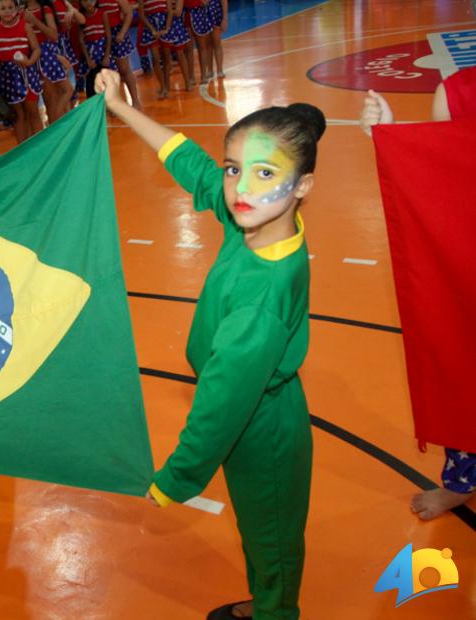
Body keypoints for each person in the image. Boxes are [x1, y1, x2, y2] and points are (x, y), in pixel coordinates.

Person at [97, 67, 323, 620]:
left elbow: (223, 401)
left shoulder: (262, 297)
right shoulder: (256, 220)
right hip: (252, 416)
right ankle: (270, 602)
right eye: (234, 170)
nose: (240, 189)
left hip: (261, 426)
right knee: (262, 531)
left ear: (304, 187)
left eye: (264, 172)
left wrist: (176, 478)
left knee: (271, 539)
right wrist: (122, 108)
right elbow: (191, 164)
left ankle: (275, 613)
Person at [359, 72, 476, 521]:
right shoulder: (457, 92)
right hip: (467, 262)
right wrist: (394, 138)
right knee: (462, 359)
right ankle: (463, 479)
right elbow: (440, 174)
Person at [0, 0, 43, 143]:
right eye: (3, 8)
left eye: (10, 7)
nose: (7, 11)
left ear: (17, 9)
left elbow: (37, 49)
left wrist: (30, 62)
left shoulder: (25, 26)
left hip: (27, 74)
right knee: (18, 115)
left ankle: (43, 147)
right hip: (7, 77)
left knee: (33, 112)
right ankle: (24, 151)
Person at [25, 0, 71, 125]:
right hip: (34, 57)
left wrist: (34, 21)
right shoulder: (20, 12)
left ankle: (59, 122)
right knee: (50, 99)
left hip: (49, 55)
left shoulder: (45, 9)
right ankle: (56, 128)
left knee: (65, 91)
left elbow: (54, 35)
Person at [137, 0, 193, 98]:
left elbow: (171, 11)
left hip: (166, 25)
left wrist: (166, 28)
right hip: (152, 28)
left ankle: (186, 82)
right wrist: (152, 29)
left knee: (173, 55)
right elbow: (141, 14)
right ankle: (164, 87)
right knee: (157, 58)